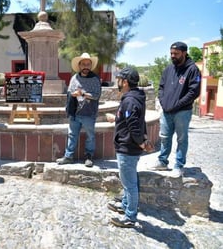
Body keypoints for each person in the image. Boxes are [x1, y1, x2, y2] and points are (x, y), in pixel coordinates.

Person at [148, 42, 201, 178]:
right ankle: (162, 162)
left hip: (182, 111)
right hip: (166, 111)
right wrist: (163, 102)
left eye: (176, 54)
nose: (173, 56)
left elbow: (194, 92)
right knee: (164, 137)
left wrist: (177, 105)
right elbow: (161, 87)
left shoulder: (192, 69)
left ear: (184, 53)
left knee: (182, 139)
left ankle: (178, 165)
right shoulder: (168, 69)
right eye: (171, 53)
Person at [106, 67, 151, 228]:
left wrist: (141, 142)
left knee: (130, 184)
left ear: (125, 82)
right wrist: (116, 119)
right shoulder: (134, 97)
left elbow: (134, 125)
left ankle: (130, 217)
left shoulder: (130, 100)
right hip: (129, 147)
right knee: (128, 182)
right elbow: (136, 120)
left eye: (119, 79)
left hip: (127, 148)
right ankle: (125, 205)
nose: (117, 82)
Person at [56, 52, 101, 167]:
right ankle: (68, 156)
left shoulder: (95, 79)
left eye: (88, 64)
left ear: (91, 66)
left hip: (89, 112)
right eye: (83, 64)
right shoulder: (74, 78)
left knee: (90, 136)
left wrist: (84, 93)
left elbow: (97, 95)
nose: (86, 66)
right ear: (79, 65)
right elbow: (70, 92)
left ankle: (89, 156)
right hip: (75, 112)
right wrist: (74, 94)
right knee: (72, 135)